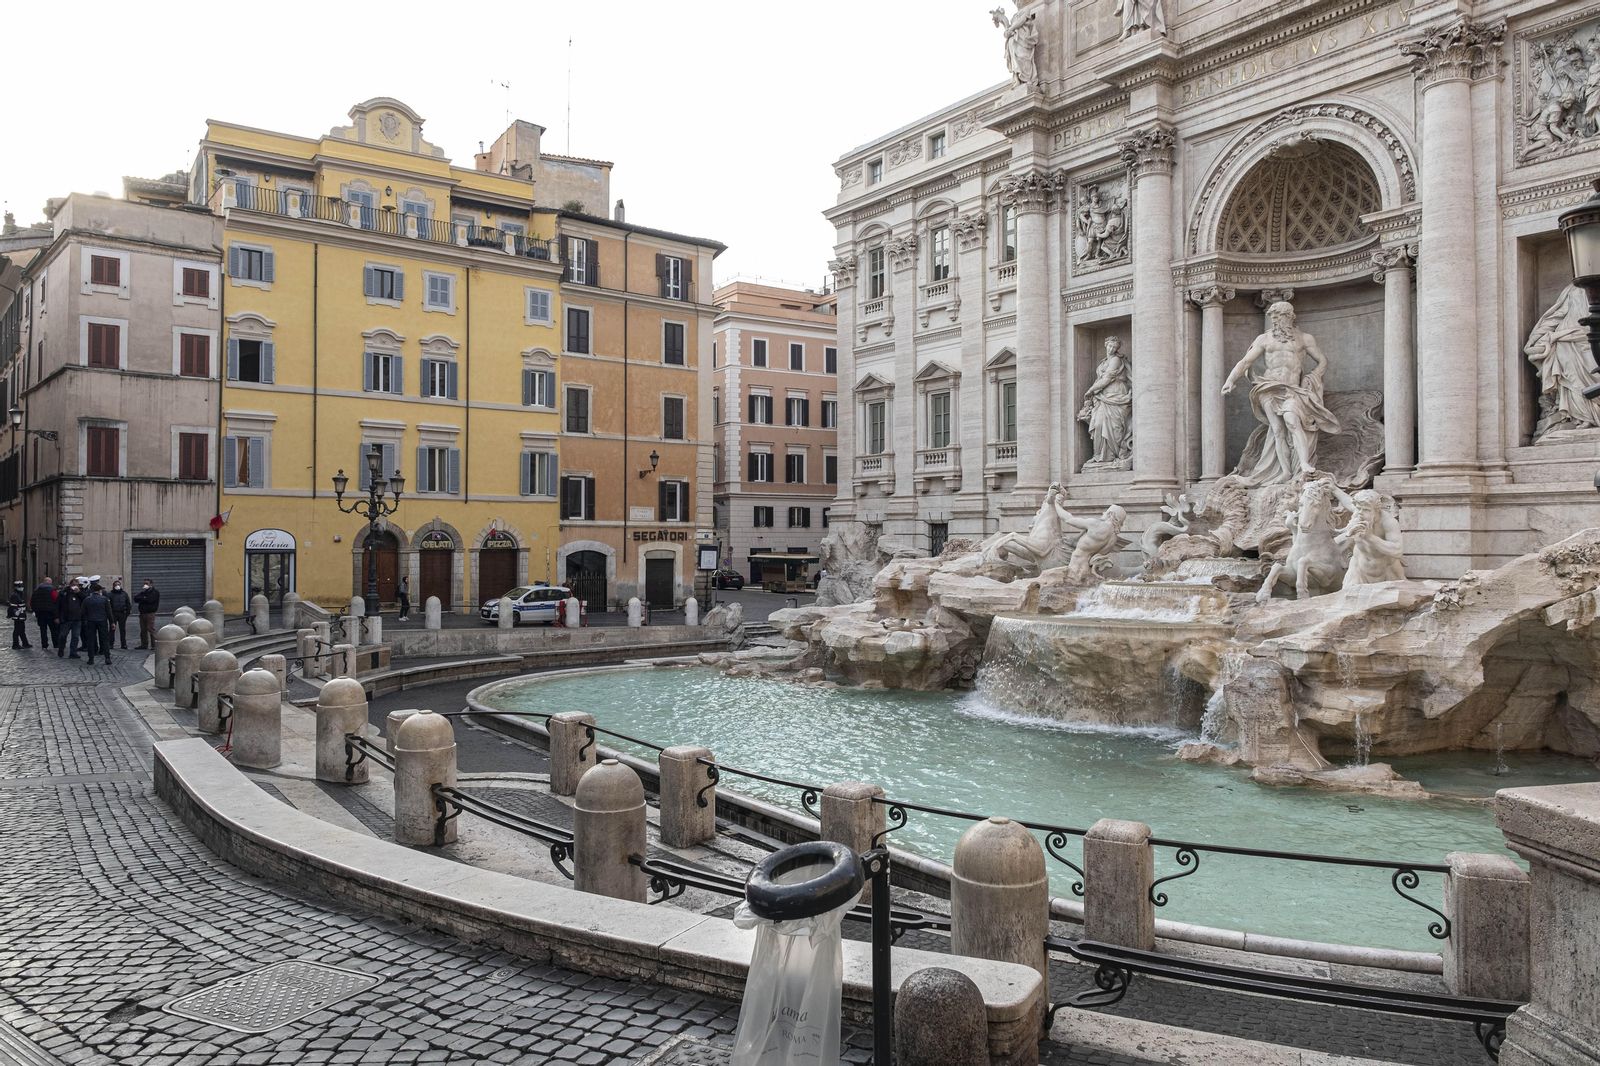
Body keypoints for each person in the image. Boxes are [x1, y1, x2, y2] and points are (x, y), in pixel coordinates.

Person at [82, 583, 112, 666]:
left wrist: (87, 619)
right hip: (102, 621)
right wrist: (112, 622)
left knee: (90, 640)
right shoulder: (104, 599)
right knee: (105, 639)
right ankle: (107, 658)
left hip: (91, 621)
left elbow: (83, 611)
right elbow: (109, 611)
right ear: (99, 591)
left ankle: (91, 658)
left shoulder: (87, 599)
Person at [57, 579, 85, 659]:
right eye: (73, 584)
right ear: (70, 585)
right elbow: (57, 606)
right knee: (63, 635)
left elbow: (85, 600)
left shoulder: (81, 594)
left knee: (75, 636)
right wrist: (57, 617)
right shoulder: (63, 594)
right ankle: (61, 648)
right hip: (66, 618)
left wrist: (79, 593)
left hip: (77, 618)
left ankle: (73, 652)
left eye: (77, 584)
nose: (75, 586)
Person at [31, 576, 58, 650]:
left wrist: (35, 609)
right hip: (50, 612)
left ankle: (44, 645)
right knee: (53, 629)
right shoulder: (51, 590)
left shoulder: (36, 590)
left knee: (43, 630)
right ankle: (56, 645)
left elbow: (32, 601)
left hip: (40, 613)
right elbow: (56, 599)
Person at [133, 578, 160, 649]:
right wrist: (144, 598)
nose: (145, 585)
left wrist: (143, 599)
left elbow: (150, 600)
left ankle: (154, 644)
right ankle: (144, 644)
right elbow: (135, 598)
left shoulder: (155, 592)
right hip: (142, 613)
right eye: (144, 583)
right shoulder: (144, 591)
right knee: (143, 629)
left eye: (147, 583)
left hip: (150, 613)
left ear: (151, 584)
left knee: (150, 628)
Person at [108, 579, 132, 650]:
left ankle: (123, 644)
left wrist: (127, 612)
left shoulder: (124, 594)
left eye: (118, 585)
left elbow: (128, 603)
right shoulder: (110, 594)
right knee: (112, 629)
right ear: (113, 586)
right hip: (114, 613)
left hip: (122, 613)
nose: (117, 586)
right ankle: (111, 644)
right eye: (116, 585)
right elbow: (108, 605)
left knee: (122, 629)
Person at [10, 581, 30, 649]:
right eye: (19, 586)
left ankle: (25, 643)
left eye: (21, 586)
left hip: (21, 614)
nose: (21, 588)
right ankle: (15, 644)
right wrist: (10, 614)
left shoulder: (19, 594)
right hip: (18, 614)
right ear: (15, 587)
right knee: (17, 630)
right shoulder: (15, 595)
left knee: (22, 629)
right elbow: (12, 606)